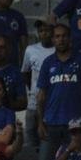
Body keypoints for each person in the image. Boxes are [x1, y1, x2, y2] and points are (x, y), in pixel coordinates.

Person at [35, 23, 81, 160]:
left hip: (74, 124)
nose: (60, 39)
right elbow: (41, 95)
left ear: (70, 38)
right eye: (57, 36)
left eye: (64, 36)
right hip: (50, 122)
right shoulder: (48, 63)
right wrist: (40, 122)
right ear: (53, 39)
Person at [21, 20, 55, 149]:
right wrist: (32, 90)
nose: (44, 34)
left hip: (51, 102)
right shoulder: (30, 50)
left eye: (47, 30)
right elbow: (25, 72)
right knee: (30, 136)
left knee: (47, 138)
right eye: (41, 31)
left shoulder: (57, 50)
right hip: (33, 101)